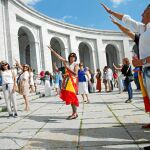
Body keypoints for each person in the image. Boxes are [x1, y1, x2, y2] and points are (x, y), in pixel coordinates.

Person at [101, 3, 150, 130]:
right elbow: (128, 23)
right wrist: (111, 12)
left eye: (144, 12)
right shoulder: (144, 29)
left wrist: (142, 62)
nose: (141, 14)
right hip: (146, 71)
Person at [48, 46, 79, 120]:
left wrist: (67, 68)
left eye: (73, 57)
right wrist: (52, 50)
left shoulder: (76, 64)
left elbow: (75, 73)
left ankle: (74, 113)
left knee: (72, 97)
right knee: (70, 97)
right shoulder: (66, 62)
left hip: (72, 81)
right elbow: (59, 57)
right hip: (67, 81)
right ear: (69, 58)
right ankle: (75, 113)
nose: (72, 58)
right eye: (71, 57)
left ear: (75, 58)